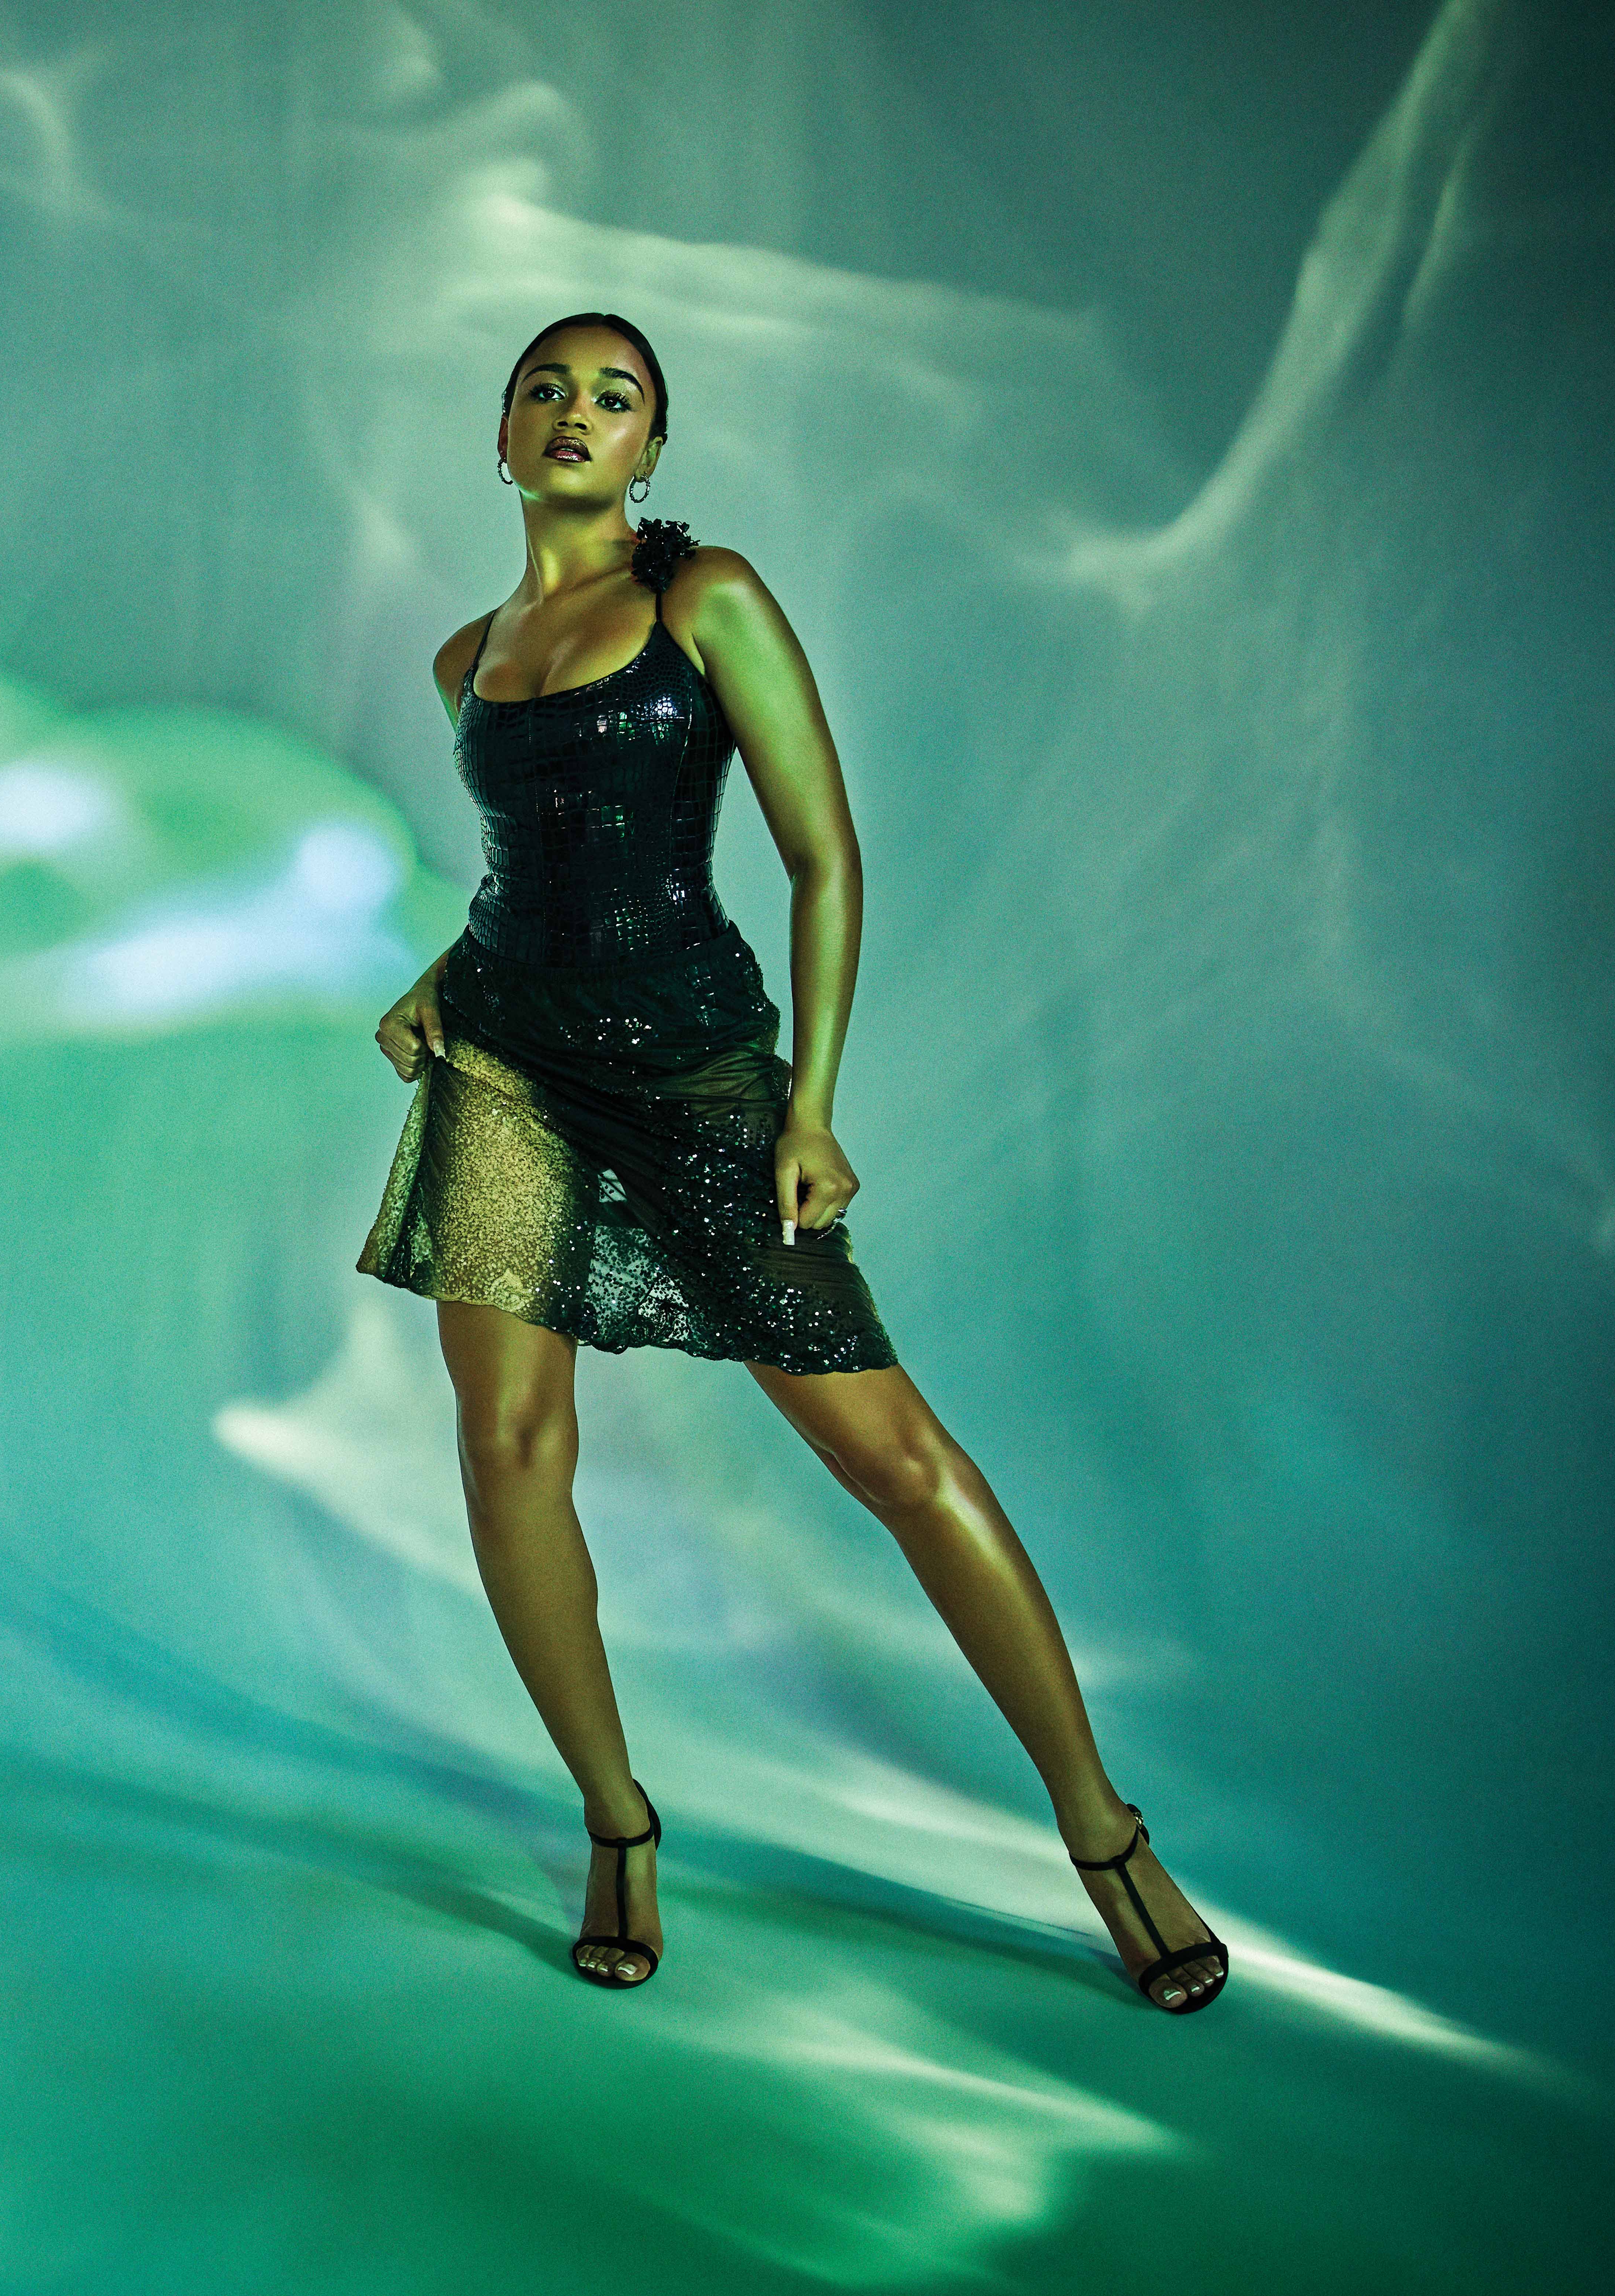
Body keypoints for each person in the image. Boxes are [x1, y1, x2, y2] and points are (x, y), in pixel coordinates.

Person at [355, 314, 1227, 2012]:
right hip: (508, 1077)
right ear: (504, 433)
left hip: (697, 1079)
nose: (576, 412)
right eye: (546, 389)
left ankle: (1104, 1830)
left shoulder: (708, 599)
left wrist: (811, 1106)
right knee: (509, 1445)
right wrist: (442, 979)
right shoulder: (466, 659)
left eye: (614, 396)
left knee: (891, 1455)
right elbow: (536, 872)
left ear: (652, 449)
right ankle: (616, 1822)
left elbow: (823, 857)